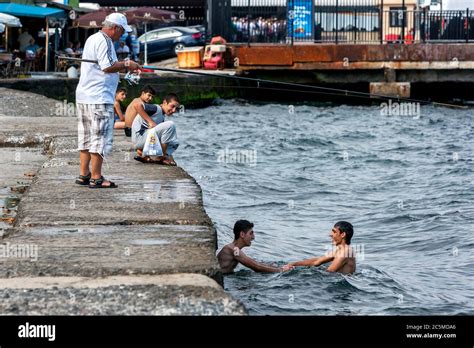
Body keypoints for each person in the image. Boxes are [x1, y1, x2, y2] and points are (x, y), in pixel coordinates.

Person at [75, 13, 141, 189]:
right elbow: (106, 67)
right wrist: (127, 64)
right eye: (122, 31)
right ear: (115, 28)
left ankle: (84, 175)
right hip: (99, 97)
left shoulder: (92, 38)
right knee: (99, 138)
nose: (123, 35)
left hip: (85, 96)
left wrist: (122, 70)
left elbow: (101, 67)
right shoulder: (104, 41)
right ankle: (96, 178)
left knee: (86, 136)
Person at [217, 220, 293, 274]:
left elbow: (254, 263)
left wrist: (272, 266)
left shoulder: (234, 249)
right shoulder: (233, 249)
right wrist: (281, 270)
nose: (253, 237)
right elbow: (256, 267)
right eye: (251, 233)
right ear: (242, 234)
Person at [129, 91, 181, 166]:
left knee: (174, 142)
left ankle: (151, 156)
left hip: (144, 140)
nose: (174, 110)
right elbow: (137, 105)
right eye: (172, 106)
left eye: (176, 108)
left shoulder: (162, 116)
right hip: (139, 138)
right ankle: (161, 157)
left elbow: (165, 139)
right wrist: (150, 121)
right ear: (165, 102)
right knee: (171, 125)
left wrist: (172, 159)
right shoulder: (156, 108)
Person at [286, 221, 356, 274]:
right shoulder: (339, 250)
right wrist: (293, 264)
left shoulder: (346, 252)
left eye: (334, 232)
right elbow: (316, 262)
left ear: (343, 234)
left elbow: (329, 272)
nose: (330, 235)